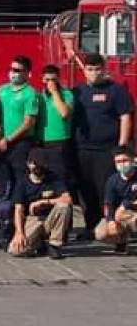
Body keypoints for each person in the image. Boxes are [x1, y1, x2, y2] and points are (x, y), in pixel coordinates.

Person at [72, 53, 133, 240]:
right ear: (84, 71)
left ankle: (110, 226)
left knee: (105, 189)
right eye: (89, 69)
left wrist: (122, 145)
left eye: (97, 69)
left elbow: (125, 117)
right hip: (82, 149)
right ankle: (90, 226)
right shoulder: (77, 92)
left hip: (107, 150)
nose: (94, 73)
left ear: (104, 69)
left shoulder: (116, 91)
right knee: (85, 189)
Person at [8, 148, 72, 260]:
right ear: (28, 164)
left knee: (63, 206)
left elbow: (68, 199)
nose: (37, 167)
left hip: (50, 219)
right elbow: (18, 210)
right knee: (15, 250)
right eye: (35, 164)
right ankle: (38, 243)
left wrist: (44, 202)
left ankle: (54, 245)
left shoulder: (53, 178)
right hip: (33, 220)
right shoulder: (22, 182)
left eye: (41, 164)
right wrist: (19, 232)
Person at [0, 56, 40, 182]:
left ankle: (19, 201)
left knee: (19, 176)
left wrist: (8, 139)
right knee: (3, 175)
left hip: (20, 143)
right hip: (3, 142)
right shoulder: (3, 90)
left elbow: (28, 124)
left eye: (17, 70)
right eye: (11, 69)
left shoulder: (30, 93)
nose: (13, 73)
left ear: (27, 73)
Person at [94, 145, 137, 253]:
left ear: (133, 160)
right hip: (119, 216)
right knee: (101, 233)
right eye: (118, 162)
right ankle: (121, 241)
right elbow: (108, 203)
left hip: (132, 212)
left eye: (124, 160)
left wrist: (125, 205)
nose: (122, 164)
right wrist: (110, 220)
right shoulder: (112, 180)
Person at [37, 65, 74, 188]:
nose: (50, 83)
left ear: (58, 79)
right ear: (42, 79)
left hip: (59, 142)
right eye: (47, 80)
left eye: (53, 79)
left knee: (60, 176)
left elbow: (64, 113)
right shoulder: (39, 96)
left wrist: (54, 92)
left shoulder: (66, 94)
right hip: (42, 141)